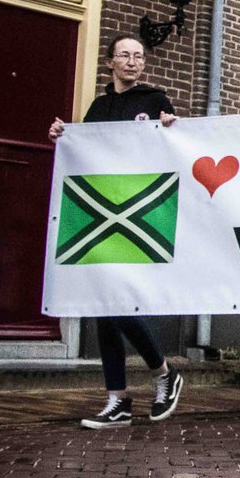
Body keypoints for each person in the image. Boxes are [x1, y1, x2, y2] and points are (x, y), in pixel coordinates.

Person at [48, 34, 182, 429]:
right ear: (110, 62)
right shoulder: (99, 108)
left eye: (138, 56)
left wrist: (173, 127)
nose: (132, 61)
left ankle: (163, 373)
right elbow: (85, 150)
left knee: (119, 302)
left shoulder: (155, 100)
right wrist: (62, 135)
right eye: (124, 55)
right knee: (103, 309)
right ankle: (117, 400)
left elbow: (173, 147)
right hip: (103, 214)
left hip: (140, 213)